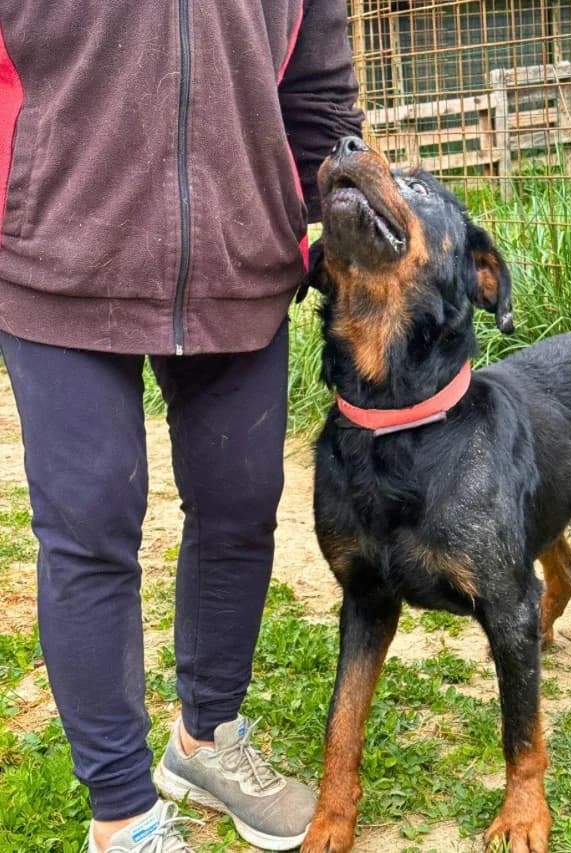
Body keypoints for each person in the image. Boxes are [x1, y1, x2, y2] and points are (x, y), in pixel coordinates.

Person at [0, 3, 363, 851]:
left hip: (241, 245)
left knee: (241, 502)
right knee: (90, 519)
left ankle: (206, 738)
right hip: (55, 246)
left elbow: (316, 76)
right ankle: (123, 814)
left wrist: (333, 212)